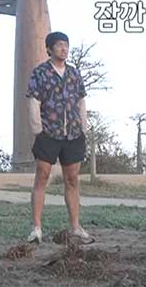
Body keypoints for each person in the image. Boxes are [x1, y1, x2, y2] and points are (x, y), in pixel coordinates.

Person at [26, 31, 94, 245]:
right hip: (49, 132)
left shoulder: (74, 73)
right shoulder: (40, 73)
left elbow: (81, 100)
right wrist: (37, 129)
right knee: (42, 177)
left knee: (72, 179)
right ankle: (36, 228)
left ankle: (75, 227)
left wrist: (83, 126)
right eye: (59, 45)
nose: (64, 49)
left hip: (73, 133)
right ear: (49, 49)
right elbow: (34, 100)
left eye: (66, 45)